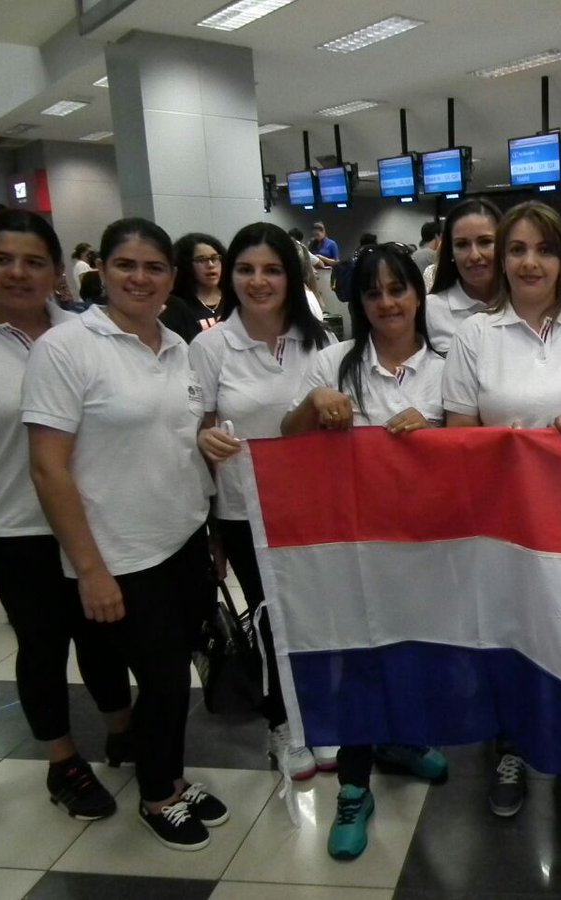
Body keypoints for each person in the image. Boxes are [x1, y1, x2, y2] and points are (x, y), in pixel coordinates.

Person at [23, 217, 229, 852]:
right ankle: (158, 794)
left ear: (172, 277)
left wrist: (211, 527)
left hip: (183, 538)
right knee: (164, 680)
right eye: (126, 266)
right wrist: (89, 569)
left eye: (155, 267)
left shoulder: (178, 344)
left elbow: (178, 437)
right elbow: (47, 466)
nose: (141, 278)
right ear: (101, 272)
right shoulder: (67, 348)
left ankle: (170, 772)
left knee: (178, 676)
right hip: (121, 554)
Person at [0, 209, 132, 821]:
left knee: (105, 637)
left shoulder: (86, 330)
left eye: (35, 261)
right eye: (3, 259)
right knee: (42, 646)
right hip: (13, 529)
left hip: (92, 520)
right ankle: (62, 761)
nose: (19, 273)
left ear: (57, 270)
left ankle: (121, 727)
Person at [442, 200, 561, 815]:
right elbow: (456, 430)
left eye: (544, 249)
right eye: (516, 250)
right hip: (502, 523)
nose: (529, 262)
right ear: (501, 259)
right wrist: (501, 443)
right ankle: (510, 745)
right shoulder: (474, 335)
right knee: (511, 635)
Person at [281, 243, 450, 861]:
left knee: (412, 652)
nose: (387, 303)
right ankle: (354, 785)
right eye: (373, 292)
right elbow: (287, 445)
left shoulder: (447, 366)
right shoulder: (331, 362)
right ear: (358, 302)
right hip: (350, 548)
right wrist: (312, 405)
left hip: (424, 548)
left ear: (418, 295)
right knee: (358, 659)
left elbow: (471, 444)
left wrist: (434, 435)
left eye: (398, 289)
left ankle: (401, 739)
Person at [189, 222, 334, 783]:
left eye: (272, 269)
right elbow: (193, 428)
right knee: (271, 619)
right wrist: (204, 440)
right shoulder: (210, 346)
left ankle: (319, 715)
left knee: (315, 617)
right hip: (244, 511)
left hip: (312, 510)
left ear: (292, 277)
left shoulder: (317, 339)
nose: (258, 281)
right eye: (246, 269)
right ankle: (283, 723)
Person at [425, 198, 501, 354]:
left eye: (485, 242)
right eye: (462, 245)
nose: (474, 255)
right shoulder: (429, 310)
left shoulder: (524, 305)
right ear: (450, 252)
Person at [160, 232, 226, 342]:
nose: (210, 265)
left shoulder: (235, 296)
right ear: (186, 265)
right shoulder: (177, 306)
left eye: (214, 258)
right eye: (201, 260)